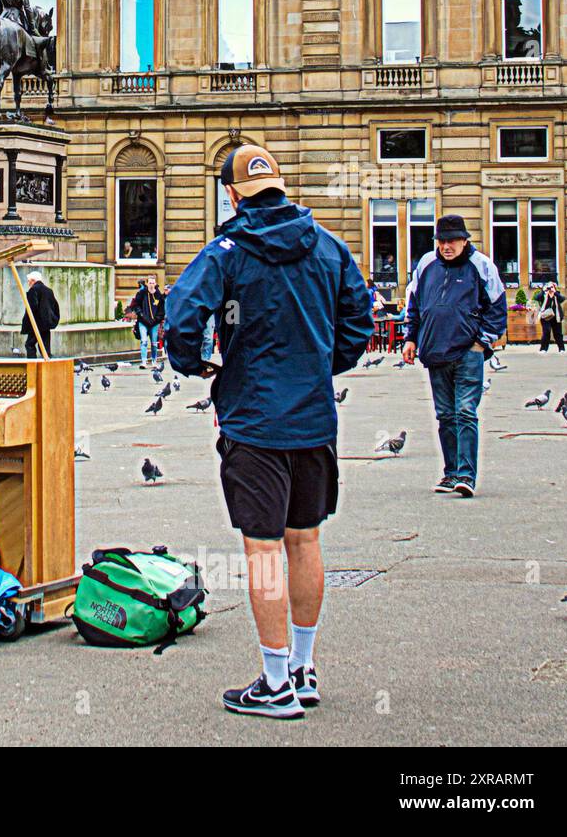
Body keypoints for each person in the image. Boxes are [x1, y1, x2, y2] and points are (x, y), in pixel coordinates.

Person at [167, 144, 373, 720]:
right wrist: (319, 365)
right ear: (279, 184)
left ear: (232, 194)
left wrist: (197, 364)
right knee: (305, 541)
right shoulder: (328, 245)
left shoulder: (227, 251)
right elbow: (359, 320)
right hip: (312, 419)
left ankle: (276, 681)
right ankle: (304, 669)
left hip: (254, 421)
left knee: (262, 551)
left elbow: (182, 316)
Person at [404, 214, 507, 498]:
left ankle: (466, 475)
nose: (446, 246)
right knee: (445, 415)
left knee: (464, 411)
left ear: (464, 241)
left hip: (468, 352)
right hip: (435, 350)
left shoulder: (482, 265)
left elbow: (498, 307)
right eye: (442, 241)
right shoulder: (426, 264)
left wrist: (481, 342)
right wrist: (411, 338)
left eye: (452, 241)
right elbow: (414, 304)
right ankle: (451, 473)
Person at [127, 276, 165, 367]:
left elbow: (162, 310)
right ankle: (144, 361)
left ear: (155, 284)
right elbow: (136, 305)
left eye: (153, 283)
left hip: (154, 323)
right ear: (147, 284)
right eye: (150, 283)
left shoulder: (159, 295)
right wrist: (141, 315)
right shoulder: (141, 293)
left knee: (154, 343)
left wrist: (157, 319)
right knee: (144, 341)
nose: (151, 285)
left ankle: (154, 361)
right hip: (143, 321)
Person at [21, 270, 60, 359]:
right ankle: (48, 366)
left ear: (33, 280)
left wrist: (27, 323)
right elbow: (55, 307)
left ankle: (32, 365)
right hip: (46, 324)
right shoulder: (49, 290)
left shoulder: (33, 290)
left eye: (29, 281)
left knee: (29, 344)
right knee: (45, 348)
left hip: (36, 324)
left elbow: (32, 307)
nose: (28, 283)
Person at [534, 282, 566, 353]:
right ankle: (543, 349)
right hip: (545, 317)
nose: (550, 288)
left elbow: (562, 299)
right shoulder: (544, 295)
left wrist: (555, 292)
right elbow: (536, 298)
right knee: (546, 332)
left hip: (556, 317)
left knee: (558, 333)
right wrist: (543, 291)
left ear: (554, 287)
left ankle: (561, 348)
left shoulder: (557, 294)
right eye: (549, 287)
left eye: (552, 287)